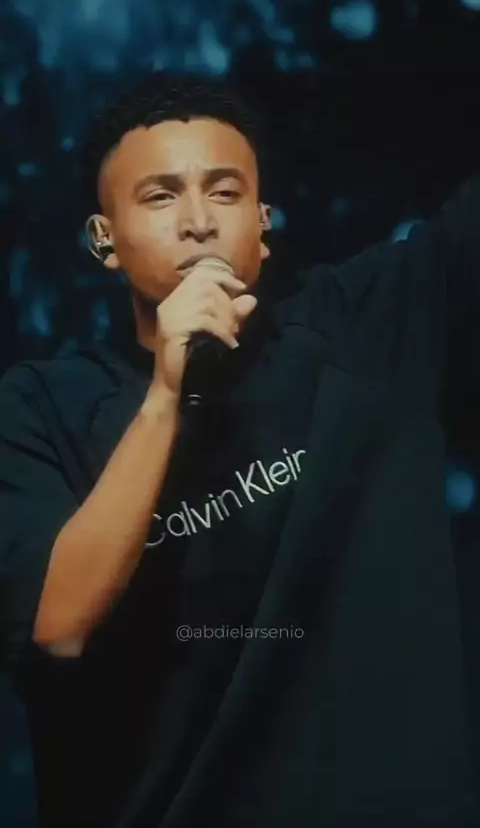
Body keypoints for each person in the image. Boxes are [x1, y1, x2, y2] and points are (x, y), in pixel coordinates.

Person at [2, 70, 480, 828]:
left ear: (262, 223)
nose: (198, 222)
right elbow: (56, 627)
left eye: (224, 193)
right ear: (104, 240)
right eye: (160, 197)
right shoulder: (39, 408)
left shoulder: (366, 329)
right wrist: (166, 395)